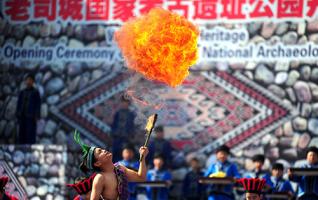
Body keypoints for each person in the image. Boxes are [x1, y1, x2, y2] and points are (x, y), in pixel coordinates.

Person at [73, 131, 148, 200]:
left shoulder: (120, 168)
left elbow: (141, 177)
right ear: (97, 163)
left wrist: (143, 157)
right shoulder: (100, 178)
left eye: (102, 149)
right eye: (100, 152)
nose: (104, 150)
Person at [16, 74, 41, 144]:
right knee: (21, 133)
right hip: (22, 116)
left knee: (30, 134)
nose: (28, 82)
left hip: (31, 117)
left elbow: (38, 104)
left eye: (30, 80)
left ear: (33, 82)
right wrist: (17, 113)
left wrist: (36, 116)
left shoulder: (36, 92)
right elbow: (19, 103)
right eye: (27, 80)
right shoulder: (22, 92)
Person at [111, 95, 136, 162]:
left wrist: (130, 135)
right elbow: (113, 125)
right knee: (114, 155)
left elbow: (132, 126)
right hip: (117, 139)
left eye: (126, 102)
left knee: (124, 156)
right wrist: (114, 133)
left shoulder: (131, 114)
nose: (124, 104)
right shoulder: (117, 113)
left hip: (126, 139)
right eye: (123, 102)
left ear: (128, 103)